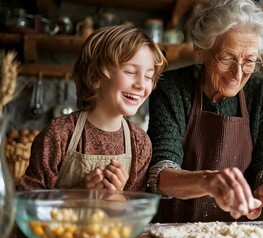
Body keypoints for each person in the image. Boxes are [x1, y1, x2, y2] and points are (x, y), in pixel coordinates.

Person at [146, 0, 263, 227]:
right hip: (178, 228)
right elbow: (160, 173)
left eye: (249, 61)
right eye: (227, 58)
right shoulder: (171, 88)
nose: (237, 73)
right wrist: (208, 180)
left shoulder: (261, 93)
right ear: (201, 51)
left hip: (242, 229)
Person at [18, 24, 167, 191]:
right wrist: (78, 193)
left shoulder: (140, 143)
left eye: (148, 76)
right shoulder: (59, 134)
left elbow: (137, 210)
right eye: (130, 72)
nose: (141, 84)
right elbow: (28, 202)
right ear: (96, 77)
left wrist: (118, 197)